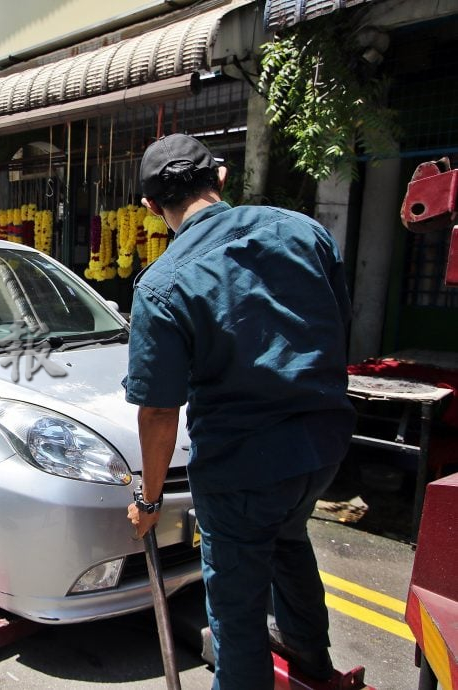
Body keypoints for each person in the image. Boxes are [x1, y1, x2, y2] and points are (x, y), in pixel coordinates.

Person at [122, 134, 355, 689]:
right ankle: (311, 661)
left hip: (242, 469)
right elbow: (337, 324)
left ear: (152, 209)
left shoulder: (161, 285)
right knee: (290, 538)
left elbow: (159, 412)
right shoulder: (305, 232)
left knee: (236, 610)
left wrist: (148, 500)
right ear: (221, 178)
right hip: (322, 448)